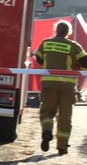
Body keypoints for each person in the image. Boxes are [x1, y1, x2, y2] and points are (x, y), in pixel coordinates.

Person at [33, 20, 87, 155]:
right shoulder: (73, 45)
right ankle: (62, 146)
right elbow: (85, 62)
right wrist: (79, 68)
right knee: (65, 116)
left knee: (47, 112)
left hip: (49, 84)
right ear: (68, 32)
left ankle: (47, 130)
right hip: (67, 86)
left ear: (55, 30)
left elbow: (39, 58)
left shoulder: (46, 43)